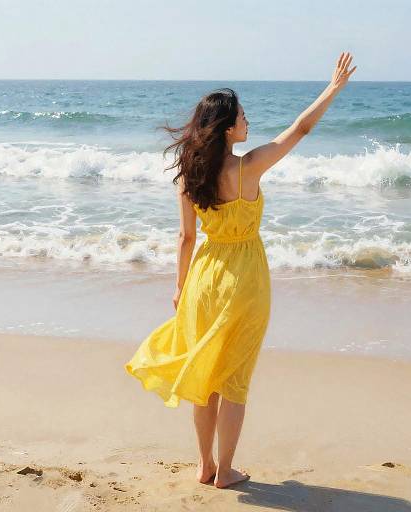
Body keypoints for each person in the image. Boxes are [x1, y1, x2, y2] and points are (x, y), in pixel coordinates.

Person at [125, 52, 356, 489]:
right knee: (234, 378)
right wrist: (333, 88)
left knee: (204, 374)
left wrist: (179, 288)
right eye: (244, 116)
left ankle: (204, 464)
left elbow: (185, 240)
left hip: (203, 279)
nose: (249, 122)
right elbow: (301, 130)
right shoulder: (248, 167)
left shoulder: (189, 176)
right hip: (244, 278)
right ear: (229, 127)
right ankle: (226, 470)